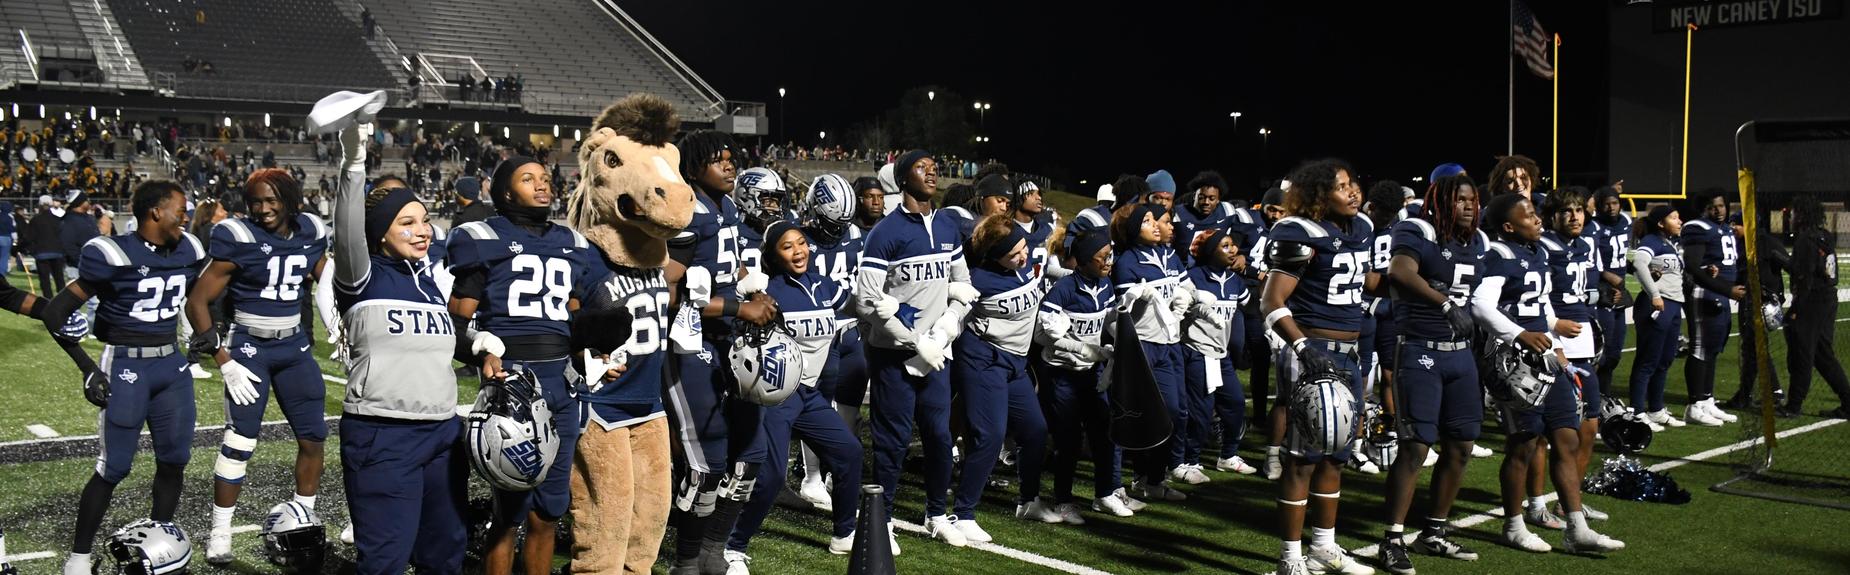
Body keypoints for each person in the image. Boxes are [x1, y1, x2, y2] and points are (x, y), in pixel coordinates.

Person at [447, 156, 602, 575]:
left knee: (550, 509)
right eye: (528, 178)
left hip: (563, 387)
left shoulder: (572, 243)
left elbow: (575, 316)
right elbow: (453, 326)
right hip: (512, 387)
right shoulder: (481, 237)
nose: (542, 184)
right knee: (510, 511)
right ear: (504, 190)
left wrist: (598, 349)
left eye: (546, 178)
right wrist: (482, 349)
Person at [43, 180, 204, 575]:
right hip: (127, 364)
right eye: (179, 209)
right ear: (155, 212)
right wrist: (87, 367)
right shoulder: (111, 252)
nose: (184, 217)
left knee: (174, 460)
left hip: (171, 365)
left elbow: (199, 296)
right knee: (114, 466)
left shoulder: (189, 249)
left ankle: (159, 544)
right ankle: (79, 557)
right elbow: (55, 312)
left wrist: (203, 332)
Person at [330, 121, 467, 574]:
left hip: (444, 435)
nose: (423, 229)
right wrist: (353, 163)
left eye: (425, 220)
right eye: (406, 222)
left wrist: (479, 344)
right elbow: (348, 225)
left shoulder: (429, 284)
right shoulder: (360, 277)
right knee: (386, 560)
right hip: (383, 435)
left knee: (445, 555)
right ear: (380, 233)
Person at [185, 169, 331, 565]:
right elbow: (196, 302)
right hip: (248, 346)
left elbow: (327, 278)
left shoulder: (311, 230)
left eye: (271, 201)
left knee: (313, 437)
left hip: (295, 346)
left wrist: (340, 323)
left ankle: (303, 515)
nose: (263, 209)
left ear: (289, 198)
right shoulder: (238, 236)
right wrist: (222, 359)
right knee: (240, 442)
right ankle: (220, 530)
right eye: (255, 202)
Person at [1476, 192, 1623, 554]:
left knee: (1566, 438)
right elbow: (1479, 305)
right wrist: (1519, 334)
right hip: (1515, 359)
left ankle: (1576, 527)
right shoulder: (1499, 254)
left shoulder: (1537, 252)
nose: (1537, 218)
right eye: (1528, 214)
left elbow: (1541, 301)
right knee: (1523, 445)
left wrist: (1554, 338)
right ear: (1509, 226)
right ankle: (1513, 525)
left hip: (1546, 356)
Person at [661, 131, 775, 573]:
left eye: (731, 159)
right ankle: (686, 563)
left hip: (731, 340)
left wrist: (755, 291)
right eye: (717, 160)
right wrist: (736, 304)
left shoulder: (726, 207)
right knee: (706, 464)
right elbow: (665, 291)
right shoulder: (685, 209)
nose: (729, 166)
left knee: (749, 459)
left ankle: (713, 554)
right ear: (692, 168)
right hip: (692, 343)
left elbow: (731, 267)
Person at [722, 220, 863, 571]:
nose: (799, 251)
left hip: (809, 394)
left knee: (849, 452)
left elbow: (862, 306)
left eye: (802, 243)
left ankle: (844, 533)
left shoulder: (824, 286)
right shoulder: (766, 292)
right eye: (788, 246)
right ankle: (731, 546)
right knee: (770, 478)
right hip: (775, 396)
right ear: (773, 254)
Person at [1260, 159, 1378, 575]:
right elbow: (1271, 302)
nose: (1352, 192)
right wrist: (1304, 346)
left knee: (1337, 455)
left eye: (1353, 184)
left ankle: (1323, 548)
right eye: (1341, 186)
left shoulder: (1362, 228)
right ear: (1317, 196)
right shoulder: (1298, 231)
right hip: (1311, 351)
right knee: (1302, 458)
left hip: (1350, 353)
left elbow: (1364, 282)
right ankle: (1290, 558)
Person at [855, 149, 973, 551]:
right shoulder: (885, 232)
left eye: (934, 167)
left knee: (941, 437)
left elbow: (963, 286)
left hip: (937, 353)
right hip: (893, 354)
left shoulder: (947, 225)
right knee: (893, 439)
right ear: (903, 179)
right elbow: (866, 301)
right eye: (921, 168)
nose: (932, 172)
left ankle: (937, 513)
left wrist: (945, 330)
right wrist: (913, 339)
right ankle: (882, 518)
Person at [1375, 174, 1488, 575]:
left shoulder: (1478, 241)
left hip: (1461, 356)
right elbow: (1401, 273)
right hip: (1420, 349)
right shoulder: (1417, 228)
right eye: (1460, 200)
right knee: (1416, 446)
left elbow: (1484, 297)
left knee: (1462, 444)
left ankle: (1433, 532)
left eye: (1473, 200)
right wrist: (1443, 304)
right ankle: (1391, 539)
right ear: (1441, 201)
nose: (1469, 206)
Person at [951, 214, 1053, 537]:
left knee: (1036, 430)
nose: (1023, 256)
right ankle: (963, 513)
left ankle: (1028, 500)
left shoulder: (1025, 261)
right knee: (990, 436)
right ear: (995, 256)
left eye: (1023, 247)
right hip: (984, 360)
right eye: (1014, 254)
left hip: (1016, 363)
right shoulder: (977, 279)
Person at [1036, 230, 1129, 519]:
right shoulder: (1064, 288)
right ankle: (1063, 500)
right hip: (1061, 373)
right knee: (1068, 439)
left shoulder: (1105, 285)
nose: (1109, 262)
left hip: (1092, 372)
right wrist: (1087, 349)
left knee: (1103, 432)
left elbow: (1109, 321)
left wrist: (1124, 330)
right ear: (1085, 260)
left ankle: (1103, 494)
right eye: (1103, 257)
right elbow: (1046, 334)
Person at [1537, 187, 1613, 522]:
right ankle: (1537, 504)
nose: (1574, 216)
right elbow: (1535, 297)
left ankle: (1570, 502)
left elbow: (1586, 291)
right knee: (1545, 434)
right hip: (1552, 342)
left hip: (1581, 344)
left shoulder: (1586, 244)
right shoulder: (1542, 247)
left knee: (1589, 426)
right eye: (1566, 211)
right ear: (1552, 216)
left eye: (1579, 210)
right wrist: (1554, 327)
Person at [1111, 202, 1192, 503]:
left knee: (1171, 412)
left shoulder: (1168, 255)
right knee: (1129, 414)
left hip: (1168, 343)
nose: (1156, 225)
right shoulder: (1127, 262)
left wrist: (1186, 297)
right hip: (1141, 345)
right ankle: (1116, 483)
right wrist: (1136, 297)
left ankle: (1153, 479)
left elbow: (1186, 286)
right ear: (1134, 229)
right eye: (1147, 221)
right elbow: (1122, 310)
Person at [794, 174, 865, 511]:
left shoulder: (854, 236)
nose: (836, 231)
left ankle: (838, 468)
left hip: (851, 330)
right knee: (816, 403)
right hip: (816, 332)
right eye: (830, 223)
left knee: (849, 404)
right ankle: (811, 476)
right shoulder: (800, 238)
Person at [1182, 228, 1257, 476]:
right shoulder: (1192, 277)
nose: (1233, 250)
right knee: (1201, 410)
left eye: (1232, 245)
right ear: (1208, 252)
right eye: (1224, 246)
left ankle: (1228, 455)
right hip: (1197, 352)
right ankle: (1189, 461)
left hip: (1221, 355)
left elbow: (1250, 307)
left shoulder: (1235, 280)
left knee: (1235, 403)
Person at [1678, 188, 1745, 426]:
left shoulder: (1724, 228)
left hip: (1719, 293)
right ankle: (1694, 405)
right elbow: (1694, 267)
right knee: (1700, 348)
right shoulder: (1698, 227)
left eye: (1721, 205)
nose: (1718, 210)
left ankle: (1706, 399)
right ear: (1704, 208)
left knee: (1713, 348)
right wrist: (1727, 290)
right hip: (1704, 293)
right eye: (1713, 206)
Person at [1780, 195, 1849, 418]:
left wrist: (1796, 309)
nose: (1790, 216)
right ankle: (1848, 400)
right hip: (1828, 298)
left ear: (1801, 214)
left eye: (1793, 212)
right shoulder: (1824, 235)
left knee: (1803, 353)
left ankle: (1794, 405)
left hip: (1812, 301)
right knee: (1822, 354)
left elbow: (1804, 277)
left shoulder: (1805, 239)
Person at [1628, 205, 1685, 432]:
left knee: (1665, 360)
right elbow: (1639, 264)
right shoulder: (1652, 240)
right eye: (1674, 217)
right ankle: (1638, 412)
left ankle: (1656, 409)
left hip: (1672, 305)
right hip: (1657, 306)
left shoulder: (1669, 243)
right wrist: (1654, 294)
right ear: (1661, 222)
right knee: (1647, 361)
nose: (1679, 221)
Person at [1586, 187, 1632, 398]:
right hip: (1601, 290)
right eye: (1606, 203)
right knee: (1600, 354)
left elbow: (1621, 256)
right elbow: (1590, 261)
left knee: (1614, 354)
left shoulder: (1625, 222)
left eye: (1614, 203)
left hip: (1619, 290)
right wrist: (1606, 276)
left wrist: (1634, 268)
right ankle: (1592, 401)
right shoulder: (1593, 226)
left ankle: (1604, 398)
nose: (1611, 207)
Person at [1172, 171, 1233, 268]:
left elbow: (1240, 231)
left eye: (1211, 198)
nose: (1206, 202)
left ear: (1218, 200)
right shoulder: (1177, 214)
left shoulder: (1227, 211)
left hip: (1215, 269)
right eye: (1201, 197)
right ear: (1194, 196)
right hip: (1186, 270)